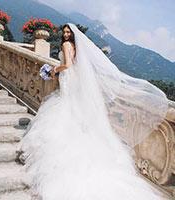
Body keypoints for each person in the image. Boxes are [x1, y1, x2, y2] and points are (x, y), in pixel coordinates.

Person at [18, 23, 170, 199]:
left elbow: (67, 65)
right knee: (74, 113)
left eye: (68, 32)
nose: (66, 34)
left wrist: (53, 70)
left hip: (68, 78)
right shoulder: (75, 46)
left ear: (72, 35)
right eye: (65, 31)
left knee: (64, 110)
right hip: (74, 81)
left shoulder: (66, 45)